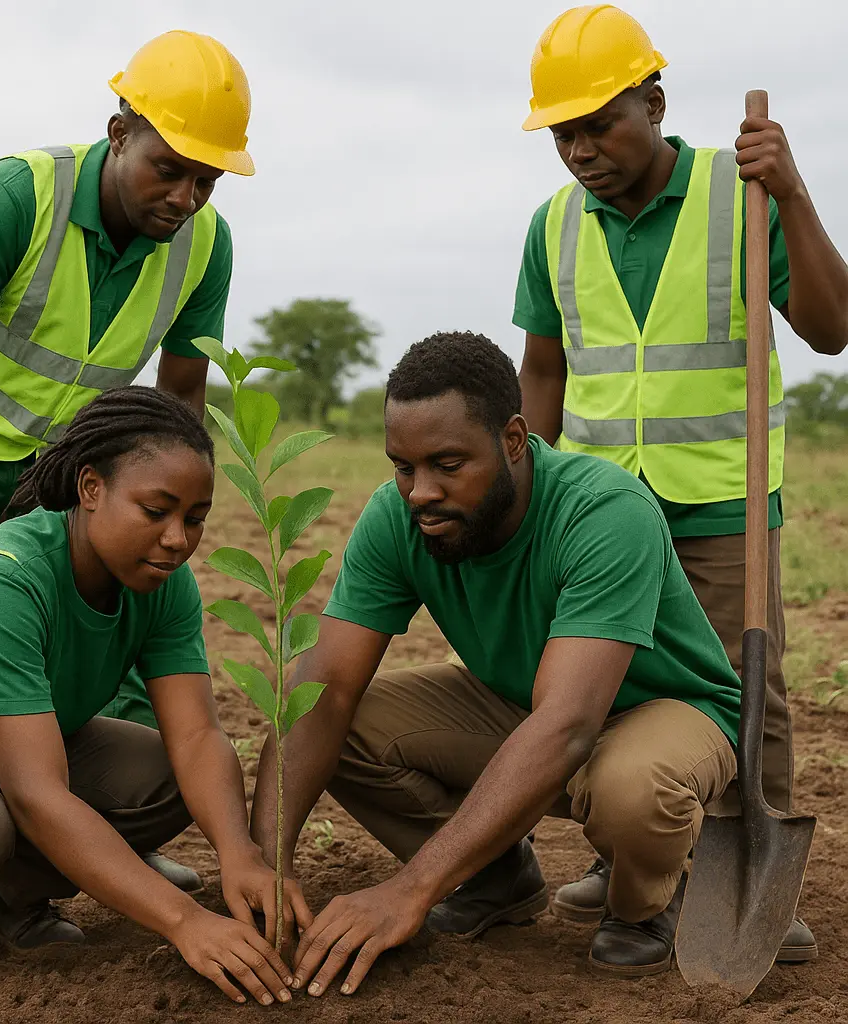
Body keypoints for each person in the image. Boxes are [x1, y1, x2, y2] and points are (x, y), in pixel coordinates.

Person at [249, 331, 745, 989]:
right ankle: (492, 873)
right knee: (337, 720)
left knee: (632, 789)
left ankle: (646, 902)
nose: (420, 491)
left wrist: (412, 887)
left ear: (513, 440)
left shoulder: (604, 511)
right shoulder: (397, 517)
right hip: (525, 705)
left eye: (448, 464)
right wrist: (268, 864)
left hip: (664, 710)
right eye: (404, 467)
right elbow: (325, 689)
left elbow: (567, 725)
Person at [514, 5, 848, 961]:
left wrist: (793, 194)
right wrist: (532, 493)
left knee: (748, 689)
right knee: (608, 685)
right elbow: (542, 371)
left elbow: (831, 329)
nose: (580, 149)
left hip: (722, 500)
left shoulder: (739, 195)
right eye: (562, 134)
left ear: (654, 105)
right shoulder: (552, 226)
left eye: (599, 124)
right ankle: (630, 858)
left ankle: (750, 878)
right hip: (599, 512)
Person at [0, 387, 309, 1000]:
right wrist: (184, 922)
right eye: (155, 510)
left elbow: (196, 736)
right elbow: (36, 795)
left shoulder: (163, 581)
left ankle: (4, 894)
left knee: (168, 780)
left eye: (194, 518)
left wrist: (240, 853)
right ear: (90, 488)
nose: (177, 539)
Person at [0, 30, 253, 748]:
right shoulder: (18, 197)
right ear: (119, 134)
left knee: (104, 607)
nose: (185, 198)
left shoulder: (206, 245)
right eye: (168, 170)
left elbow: (178, 401)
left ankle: (98, 799)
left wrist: (165, 506)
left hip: (68, 457)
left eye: (206, 181)